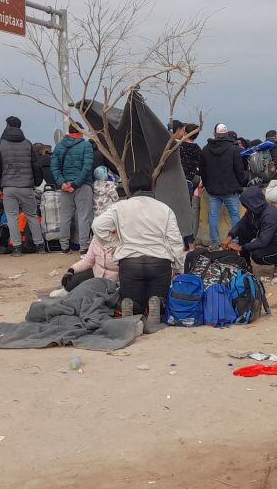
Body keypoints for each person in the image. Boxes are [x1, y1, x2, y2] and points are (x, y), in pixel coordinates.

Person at [91, 170, 184, 334]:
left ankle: (132, 306)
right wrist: (178, 266)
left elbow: (97, 226)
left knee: (134, 299)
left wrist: (116, 244)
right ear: (151, 187)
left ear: (130, 188)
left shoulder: (119, 207)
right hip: (159, 262)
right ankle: (157, 304)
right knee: (159, 297)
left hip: (130, 263)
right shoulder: (164, 208)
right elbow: (175, 240)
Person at [0, 116, 44, 257]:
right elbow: (36, 165)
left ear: (7, 126)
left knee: (12, 216)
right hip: (26, 186)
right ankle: (39, 246)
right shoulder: (27, 143)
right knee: (31, 215)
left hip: (8, 186)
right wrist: (37, 182)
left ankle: (17, 248)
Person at [223, 186, 277, 276]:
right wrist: (230, 237)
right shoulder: (253, 211)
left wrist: (241, 248)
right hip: (267, 240)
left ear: (254, 202)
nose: (246, 207)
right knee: (243, 231)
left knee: (257, 256)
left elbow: (263, 241)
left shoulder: (270, 215)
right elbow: (241, 224)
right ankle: (246, 265)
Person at [199, 123, 246, 245]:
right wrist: (242, 184)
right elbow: (239, 170)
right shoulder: (234, 149)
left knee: (213, 217)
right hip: (231, 190)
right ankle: (235, 241)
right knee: (235, 216)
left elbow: (202, 171)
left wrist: (207, 185)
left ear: (215, 134)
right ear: (226, 134)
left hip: (213, 190)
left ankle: (215, 243)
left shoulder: (205, 149)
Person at [51, 123, 94, 255]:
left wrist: (62, 183)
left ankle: (64, 247)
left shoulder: (59, 146)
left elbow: (54, 167)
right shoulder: (86, 145)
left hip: (64, 187)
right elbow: (87, 167)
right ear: (80, 132)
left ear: (68, 132)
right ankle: (83, 247)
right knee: (84, 217)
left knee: (65, 217)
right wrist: (75, 184)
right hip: (82, 186)